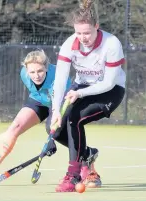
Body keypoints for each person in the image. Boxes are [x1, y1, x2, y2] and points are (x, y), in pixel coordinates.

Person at [48, 0, 126, 192]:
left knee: (75, 118)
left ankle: (73, 176)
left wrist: (80, 92)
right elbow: (59, 80)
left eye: (87, 33)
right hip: (80, 87)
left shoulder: (111, 43)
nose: (83, 38)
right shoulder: (69, 45)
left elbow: (108, 83)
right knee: (55, 128)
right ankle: (87, 154)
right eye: (79, 33)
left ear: (96, 28)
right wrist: (56, 109)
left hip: (110, 91)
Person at [0, 50, 70, 180]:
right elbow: (37, 92)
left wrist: (52, 135)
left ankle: (89, 164)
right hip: (39, 100)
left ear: (47, 68)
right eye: (32, 72)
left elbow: (59, 102)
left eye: (40, 71)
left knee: (63, 135)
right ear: (26, 70)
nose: (36, 76)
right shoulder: (24, 75)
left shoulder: (58, 77)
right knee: (14, 127)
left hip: (61, 102)